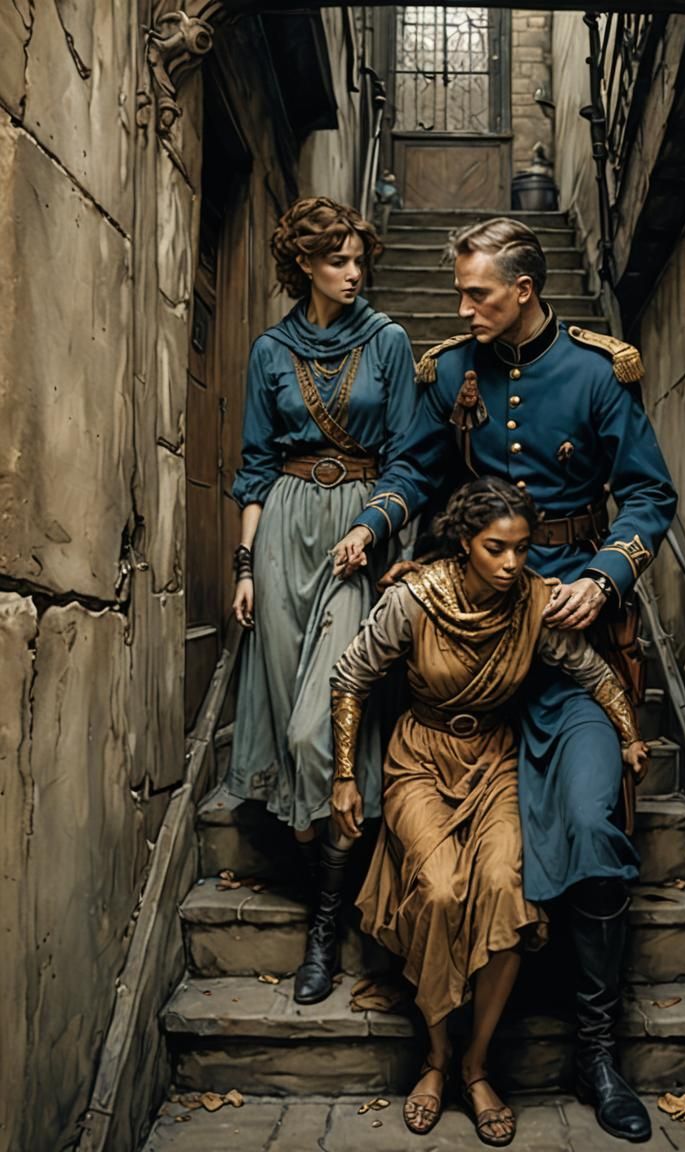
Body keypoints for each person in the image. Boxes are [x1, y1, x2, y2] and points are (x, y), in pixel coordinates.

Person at [331, 218, 677, 1143]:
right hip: (467, 661)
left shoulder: (598, 376)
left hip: (569, 646)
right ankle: (431, 1028)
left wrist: (607, 572)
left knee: (599, 826)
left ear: (523, 289)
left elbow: (649, 494)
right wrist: (379, 522)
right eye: (459, 293)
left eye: (477, 293)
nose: (463, 308)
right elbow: (417, 466)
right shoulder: (450, 375)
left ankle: (597, 1054)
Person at [329, 478, 649, 1147]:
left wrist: (627, 733)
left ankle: (476, 1067)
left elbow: (593, 672)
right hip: (421, 758)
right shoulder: (413, 598)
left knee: (506, 887)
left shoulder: (534, 602)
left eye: (522, 549)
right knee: (443, 891)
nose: (511, 563)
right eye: (496, 549)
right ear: (465, 545)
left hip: (497, 760)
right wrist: (342, 780)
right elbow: (350, 678)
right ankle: (436, 1057)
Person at [223, 195, 416, 1006]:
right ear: (303, 264)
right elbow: (256, 464)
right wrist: (243, 565)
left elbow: (411, 459)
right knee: (290, 742)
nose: (353, 271)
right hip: (283, 537)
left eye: (357, 258)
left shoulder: (390, 343)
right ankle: (328, 900)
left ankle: (328, 928)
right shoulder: (270, 350)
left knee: (321, 731)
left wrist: (374, 527)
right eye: (337, 259)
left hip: (356, 540)